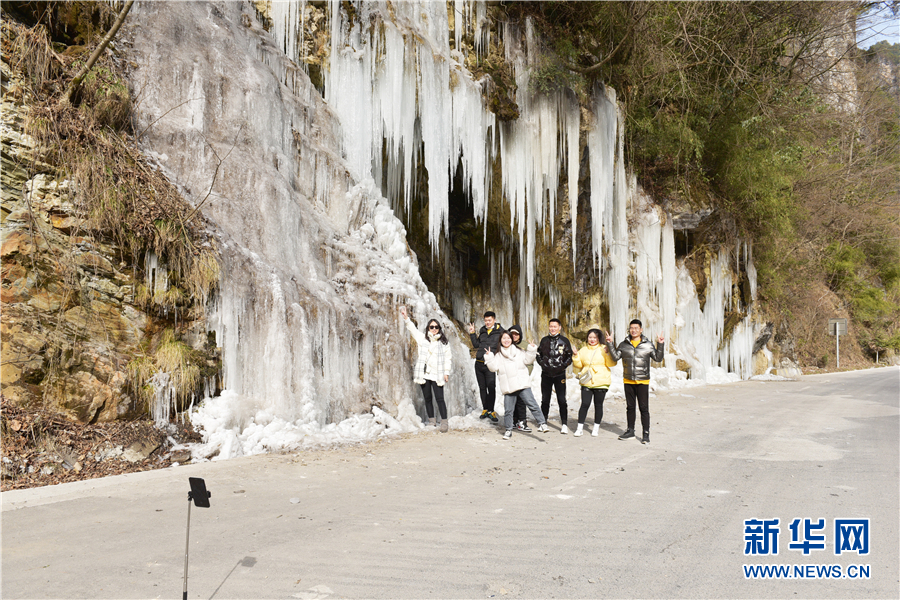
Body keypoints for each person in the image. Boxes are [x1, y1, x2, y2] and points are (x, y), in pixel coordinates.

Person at [605, 319, 664, 444]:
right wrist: (610, 343)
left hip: (643, 381)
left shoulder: (648, 345)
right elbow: (615, 357)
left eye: (636, 328)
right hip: (628, 379)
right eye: (632, 328)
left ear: (641, 330)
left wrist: (660, 344)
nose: (634, 330)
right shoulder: (624, 344)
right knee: (630, 407)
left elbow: (658, 358)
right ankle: (630, 431)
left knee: (644, 408)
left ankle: (645, 434)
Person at [483, 331, 549, 439]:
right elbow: (493, 368)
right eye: (504, 338)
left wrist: (531, 350)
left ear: (511, 340)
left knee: (532, 404)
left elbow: (528, 360)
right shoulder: (498, 355)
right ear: (500, 340)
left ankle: (542, 423)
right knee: (509, 410)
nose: (506, 340)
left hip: (522, 383)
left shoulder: (519, 351)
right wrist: (489, 357)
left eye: (508, 338)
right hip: (509, 387)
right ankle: (508, 430)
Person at [400, 306, 452, 433]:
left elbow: (448, 358)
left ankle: (444, 422)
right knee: (427, 398)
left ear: (439, 329)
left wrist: (446, 373)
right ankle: (432, 421)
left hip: (438, 374)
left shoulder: (444, 342)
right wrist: (406, 318)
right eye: (432, 327)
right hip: (424, 374)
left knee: (440, 398)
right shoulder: (422, 339)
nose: (434, 329)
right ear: (428, 328)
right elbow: (412, 329)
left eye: (436, 327)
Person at [571, 328, 617, 437]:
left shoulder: (603, 348)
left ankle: (596, 428)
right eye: (590, 337)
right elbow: (578, 365)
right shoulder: (583, 350)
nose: (592, 339)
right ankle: (579, 428)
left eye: (595, 337)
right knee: (585, 404)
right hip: (587, 380)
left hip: (601, 380)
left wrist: (608, 353)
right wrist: (576, 356)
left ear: (599, 338)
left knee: (598, 405)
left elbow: (611, 364)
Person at [536, 318, 574, 433]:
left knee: (561, 399)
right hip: (546, 374)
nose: (552, 328)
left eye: (555, 326)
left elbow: (569, 356)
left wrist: (562, 365)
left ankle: (564, 424)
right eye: (551, 326)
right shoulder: (544, 340)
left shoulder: (564, 341)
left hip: (559, 374)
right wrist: (543, 364)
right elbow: (538, 354)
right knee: (545, 399)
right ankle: (543, 422)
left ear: (559, 328)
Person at [467, 311, 504, 423]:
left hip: (490, 364)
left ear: (494, 320)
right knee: (482, 388)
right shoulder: (482, 331)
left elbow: (504, 345)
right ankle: (485, 409)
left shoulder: (500, 332)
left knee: (491, 387)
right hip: (479, 363)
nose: (487, 322)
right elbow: (476, 345)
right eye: (486, 320)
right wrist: (472, 333)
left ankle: (491, 410)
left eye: (490, 320)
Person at [507, 325, 531, 432]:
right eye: (512, 334)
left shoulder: (525, 345)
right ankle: (513, 419)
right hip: (509, 377)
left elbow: (530, 362)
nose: (514, 336)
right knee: (511, 399)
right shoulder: (506, 345)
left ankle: (522, 421)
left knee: (521, 400)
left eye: (516, 334)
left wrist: (526, 374)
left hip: (521, 377)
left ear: (520, 335)